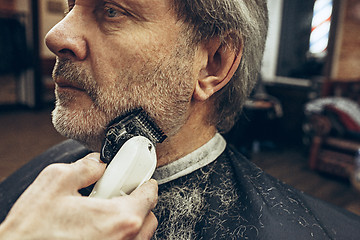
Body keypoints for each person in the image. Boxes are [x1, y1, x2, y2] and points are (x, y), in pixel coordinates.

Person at [1, 0, 360, 239]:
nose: (56, 35)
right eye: (71, 4)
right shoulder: (46, 175)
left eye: (112, 10)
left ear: (214, 62)